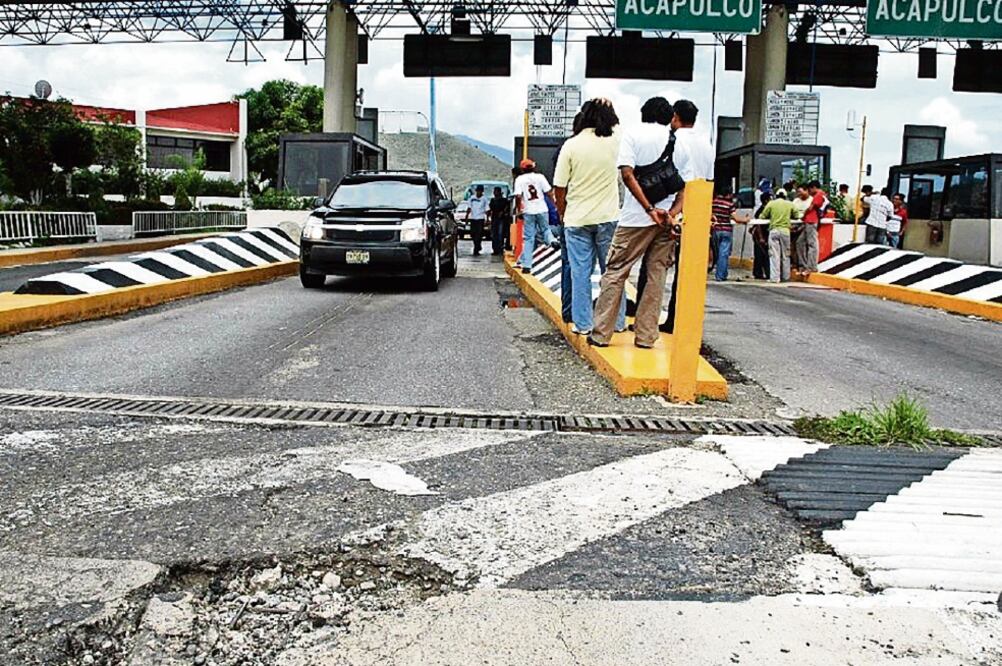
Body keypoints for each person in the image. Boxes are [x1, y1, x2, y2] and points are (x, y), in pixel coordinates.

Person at [590, 98, 714, 349]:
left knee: (616, 272)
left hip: (636, 219)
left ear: (643, 114)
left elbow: (627, 175)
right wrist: (670, 214)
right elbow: (685, 188)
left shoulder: (632, 135)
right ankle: (646, 336)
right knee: (657, 274)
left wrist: (648, 209)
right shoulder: (679, 143)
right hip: (666, 222)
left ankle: (601, 334)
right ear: (670, 117)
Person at [552, 98, 624, 335]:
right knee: (612, 273)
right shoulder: (616, 141)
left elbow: (559, 187)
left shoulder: (571, 145)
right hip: (608, 217)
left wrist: (563, 213)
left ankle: (583, 324)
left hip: (577, 220)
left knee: (580, 273)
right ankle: (616, 322)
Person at [514, 158, 556, 273]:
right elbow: (549, 192)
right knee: (545, 229)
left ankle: (527, 265)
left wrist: (519, 210)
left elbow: (518, 196)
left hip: (528, 210)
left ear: (522, 169)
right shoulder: (540, 177)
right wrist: (555, 205)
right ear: (533, 167)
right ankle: (551, 241)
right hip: (542, 209)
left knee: (528, 238)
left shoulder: (520, 179)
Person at [757, 188, 800, 283]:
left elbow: (762, 216)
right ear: (785, 196)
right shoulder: (790, 204)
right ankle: (786, 277)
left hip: (774, 230)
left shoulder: (771, 204)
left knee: (774, 255)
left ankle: (775, 278)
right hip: (785, 231)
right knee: (786, 255)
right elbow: (797, 216)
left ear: (776, 196)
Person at [710, 186, 749, 282]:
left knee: (718, 253)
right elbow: (736, 218)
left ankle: (721, 273)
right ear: (728, 194)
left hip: (715, 230)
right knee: (724, 254)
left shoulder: (713, 203)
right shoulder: (729, 204)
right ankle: (720, 275)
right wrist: (746, 219)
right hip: (726, 230)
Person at [797, 179, 828, 273]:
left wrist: (803, 215)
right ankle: (804, 264)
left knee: (812, 244)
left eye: (810, 189)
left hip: (811, 220)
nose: (809, 192)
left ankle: (811, 267)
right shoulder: (822, 195)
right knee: (800, 242)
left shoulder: (818, 195)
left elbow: (810, 208)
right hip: (809, 221)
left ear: (814, 188)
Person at [751, 192, 772, 280]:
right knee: (761, 255)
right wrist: (761, 238)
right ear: (766, 200)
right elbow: (758, 225)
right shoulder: (761, 210)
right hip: (760, 236)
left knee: (763, 255)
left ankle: (761, 272)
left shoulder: (766, 209)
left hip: (764, 235)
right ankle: (759, 273)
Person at [466, 185, 488, 256]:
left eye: (480, 191)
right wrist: (467, 217)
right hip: (473, 218)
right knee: (473, 234)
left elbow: (487, 210)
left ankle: (476, 248)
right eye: (477, 191)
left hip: (480, 219)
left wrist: (487, 219)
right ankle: (478, 245)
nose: (478, 192)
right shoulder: (472, 198)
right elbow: (469, 208)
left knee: (479, 234)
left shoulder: (484, 199)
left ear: (482, 192)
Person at [487, 186, 510, 257]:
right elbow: (490, 209)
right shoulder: (493, 200)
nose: (494, 193)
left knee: (500, 234)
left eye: (496, 191)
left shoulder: (504, 200)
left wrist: (502, 212)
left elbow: (507, 208)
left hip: (501, 219)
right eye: (494, 191)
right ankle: (495, 249)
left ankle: (500, 249)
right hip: (494, 218)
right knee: (494, 234)